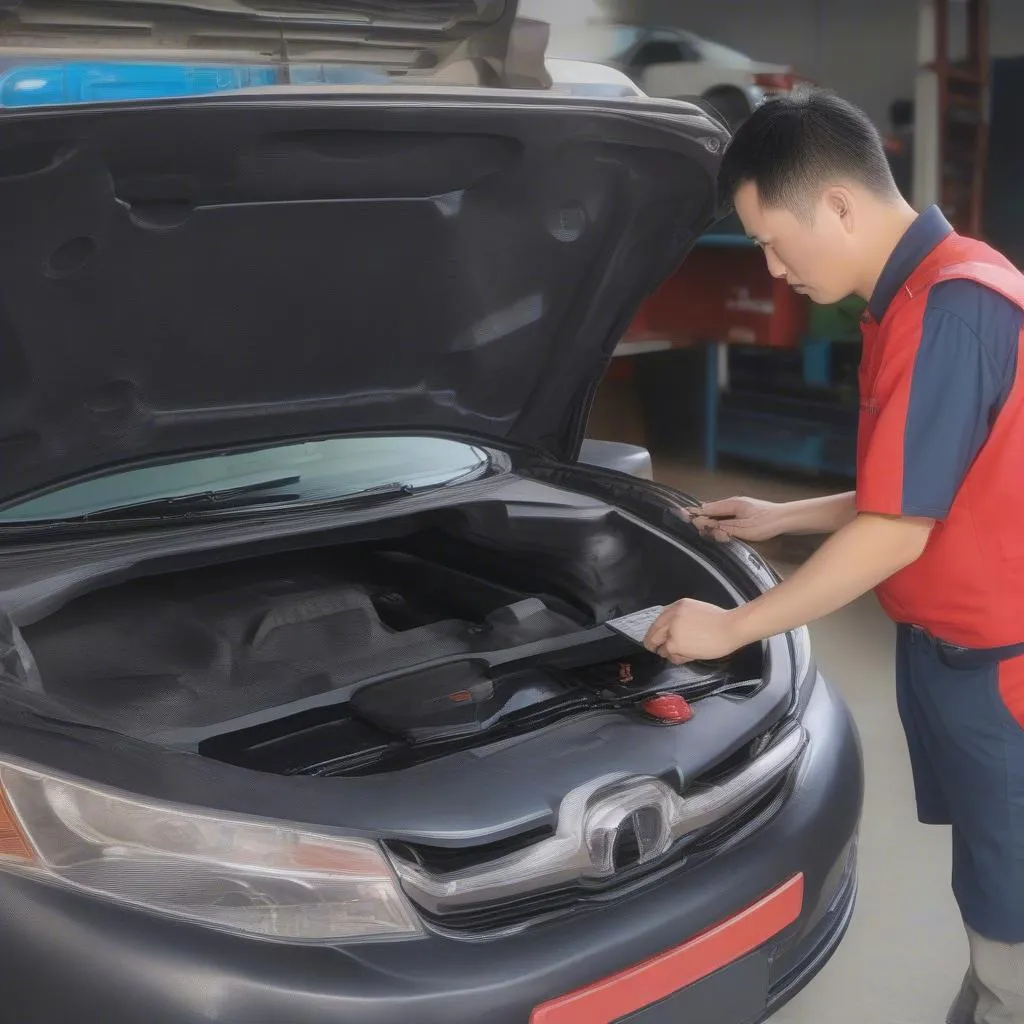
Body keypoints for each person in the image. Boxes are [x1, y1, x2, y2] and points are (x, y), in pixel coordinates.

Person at [642, 89, 1024, 1024]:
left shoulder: (952, 310)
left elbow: (900, 530)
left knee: (1014, 882)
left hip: (1004, 673)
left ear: (841, 207)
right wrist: (786, 518)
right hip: (961, 659)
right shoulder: (936, 292)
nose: (771, 270)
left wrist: (734, 623)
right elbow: (931, 482)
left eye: (774, 241)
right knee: (992, 871)